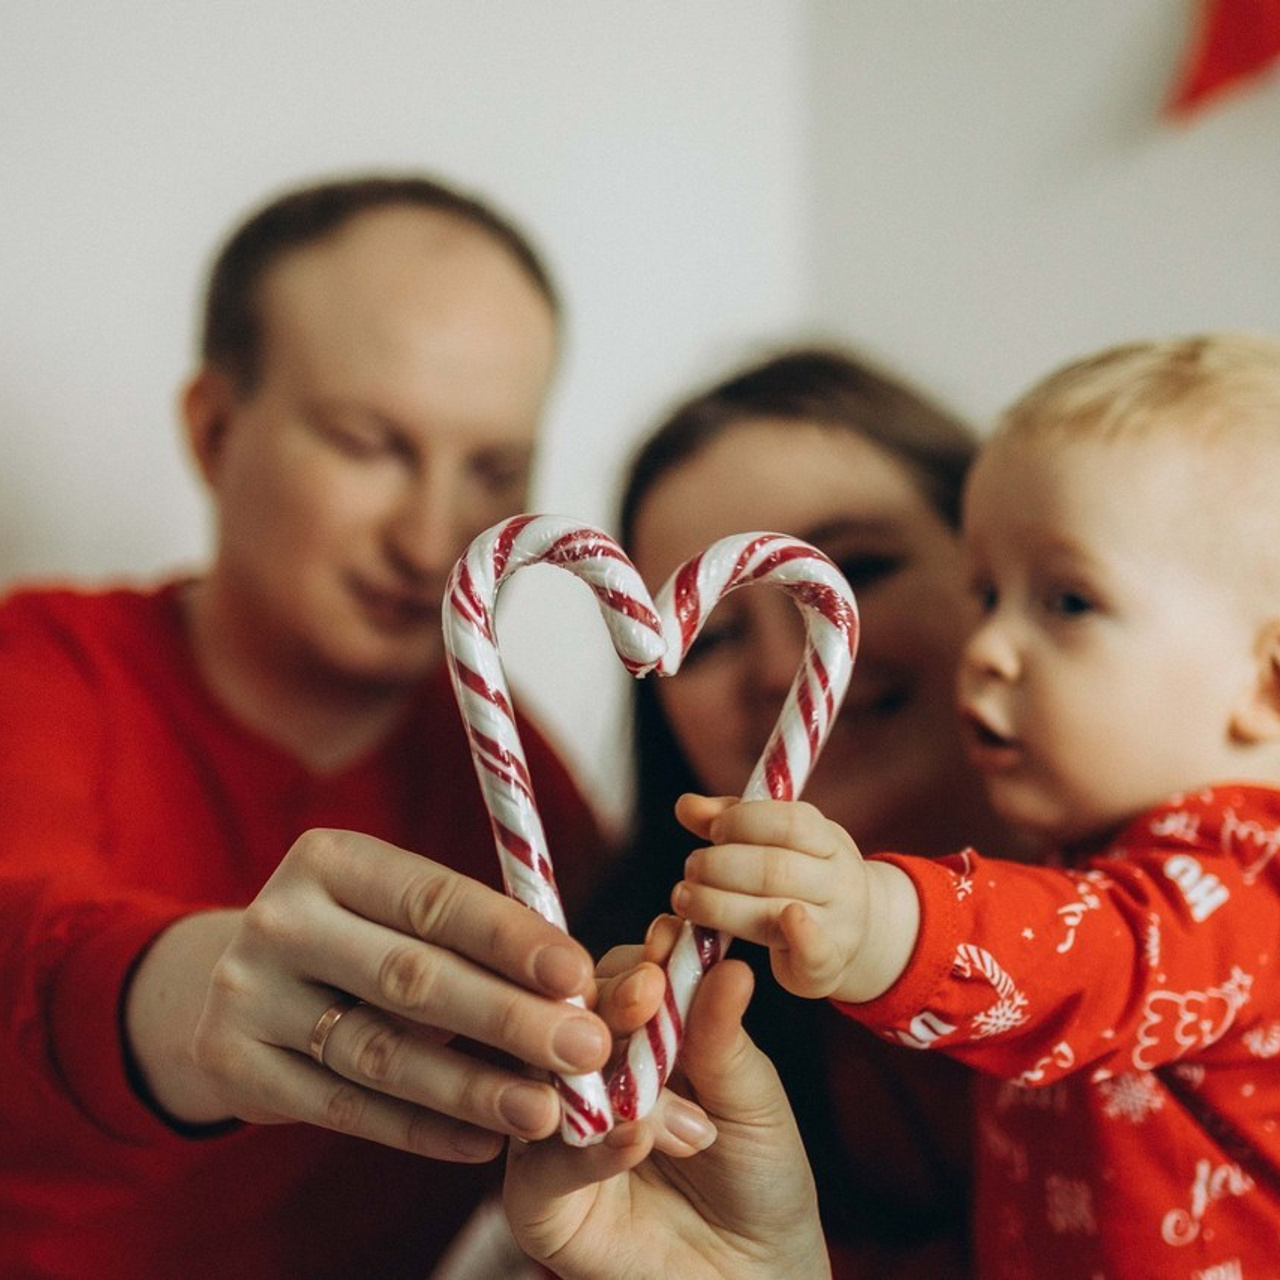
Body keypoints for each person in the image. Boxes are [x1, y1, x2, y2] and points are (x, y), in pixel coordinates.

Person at [0, 174, 711, 1277]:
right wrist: (186, 994)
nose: (431, 533)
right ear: (214, 428)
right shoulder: (43, 668)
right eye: (368, 442)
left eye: (490, 468)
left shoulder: (516, 785)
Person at [671, 332, 1280, 1276]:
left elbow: (1100, 959)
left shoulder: (1248, 876)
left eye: (1068, 602)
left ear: (1270, 685)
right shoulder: (1089, 863)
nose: (990, 646)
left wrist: (876, 918)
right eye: (987, 592)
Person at [583, 346, 1016, 1275]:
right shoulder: (652, 1048)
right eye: (712, 637)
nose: (786, 667)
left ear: (995, 564)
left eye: (854, 567)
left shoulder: (1223, 905)